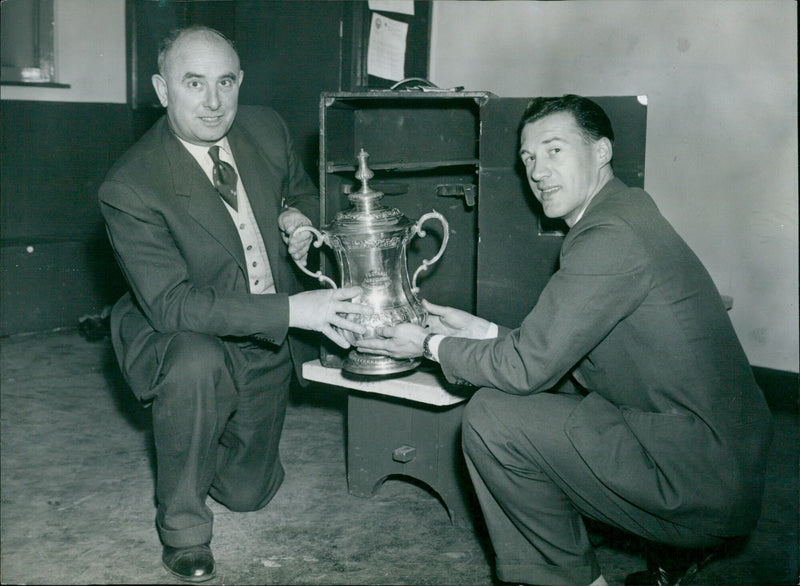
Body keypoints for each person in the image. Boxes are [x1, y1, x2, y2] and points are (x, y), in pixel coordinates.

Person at [357, 94, 774, 586]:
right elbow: (571, 353)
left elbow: (528, 368)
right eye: (529, 158)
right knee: (513, 407)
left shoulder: (609, 236)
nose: (537, 171)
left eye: (554, 150)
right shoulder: (625, 212)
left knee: (493, 418)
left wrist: (427, 345)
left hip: (695, 477)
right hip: (712, 455)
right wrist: (480, 330)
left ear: (601, 151)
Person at [99, 26, 370, 583]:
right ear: (161, 88)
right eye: (193, 83)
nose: (214, 101)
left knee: (249, 494)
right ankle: (183, 526)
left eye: (225, 82)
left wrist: (298, 217)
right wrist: (298, 312)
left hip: (261, 328)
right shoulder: (130, 184)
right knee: (196, 365)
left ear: (240, 81)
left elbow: (300, 190)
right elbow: (172, 304)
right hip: (177, 329)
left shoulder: (265, 128)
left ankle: (208, 434)